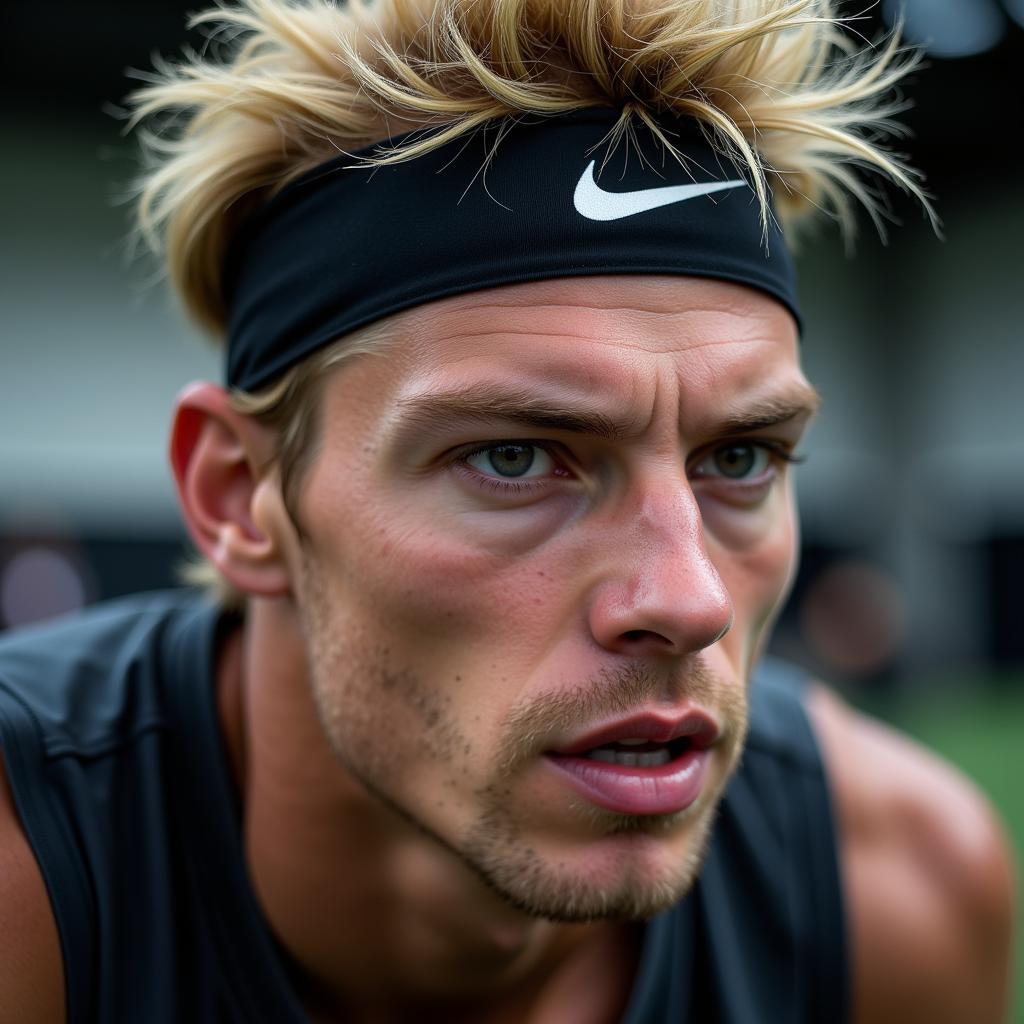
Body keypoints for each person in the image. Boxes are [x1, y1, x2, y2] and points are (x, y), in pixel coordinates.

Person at [0, 0, 1014, 1020]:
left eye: (740, 457)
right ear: (238, 497)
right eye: (513, 456)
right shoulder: (30, 884)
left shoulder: (893, 883)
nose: (688, 597)